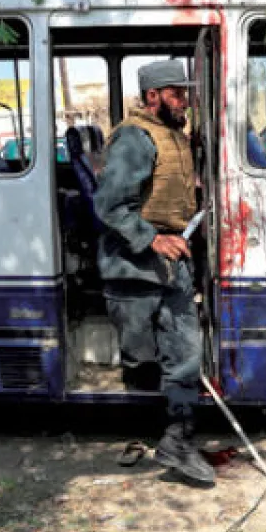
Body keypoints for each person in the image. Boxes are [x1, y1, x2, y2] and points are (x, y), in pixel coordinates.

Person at [93, 60, 214, 485]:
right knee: (141, 358)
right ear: (151, 97)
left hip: (172, 261)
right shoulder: (133, 138)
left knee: (185, 353)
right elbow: (109, 205)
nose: (185, 100)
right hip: (136, 265)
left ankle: (177, 440)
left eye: (186, 92)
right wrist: (152, 239)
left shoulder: (173, 136)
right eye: (176, 93)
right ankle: (142, 431)